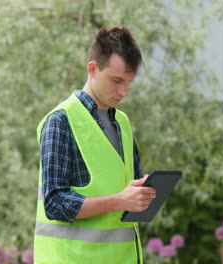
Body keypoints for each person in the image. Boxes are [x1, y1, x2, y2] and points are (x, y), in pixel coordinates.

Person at [33, 26, 156, 264]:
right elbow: (55, 203)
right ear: (93, 68)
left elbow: (128, 201)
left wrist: (142, 194)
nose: (123, 92)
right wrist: (120, 200)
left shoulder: (123, 123)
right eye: (116, 80)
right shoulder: (61, 121)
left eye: (129, 83)